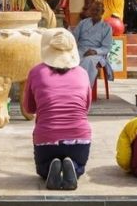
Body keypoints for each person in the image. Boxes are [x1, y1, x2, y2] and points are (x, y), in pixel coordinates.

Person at [22, 29, 93, 190]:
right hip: (79, 138)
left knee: (41, 170)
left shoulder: (36, 72)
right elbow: (86, 108)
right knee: (80, 168)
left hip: (47, 138)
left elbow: (29, 108)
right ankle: (74, 166)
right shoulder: (82, 73)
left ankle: (49, 168)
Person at [71, 0, 113, 86]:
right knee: (70, 59)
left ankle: (84, 88)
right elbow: (74, 37)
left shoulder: (106, 27)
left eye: (97, 10)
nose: (94, 12)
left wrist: (94, 51)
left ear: (102, 12)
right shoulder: (83, 23)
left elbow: (106, 47)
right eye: (93, 10)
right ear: (90, 11)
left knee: (88, 61)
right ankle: (71, 87)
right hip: (81, 50)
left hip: (97, 54)